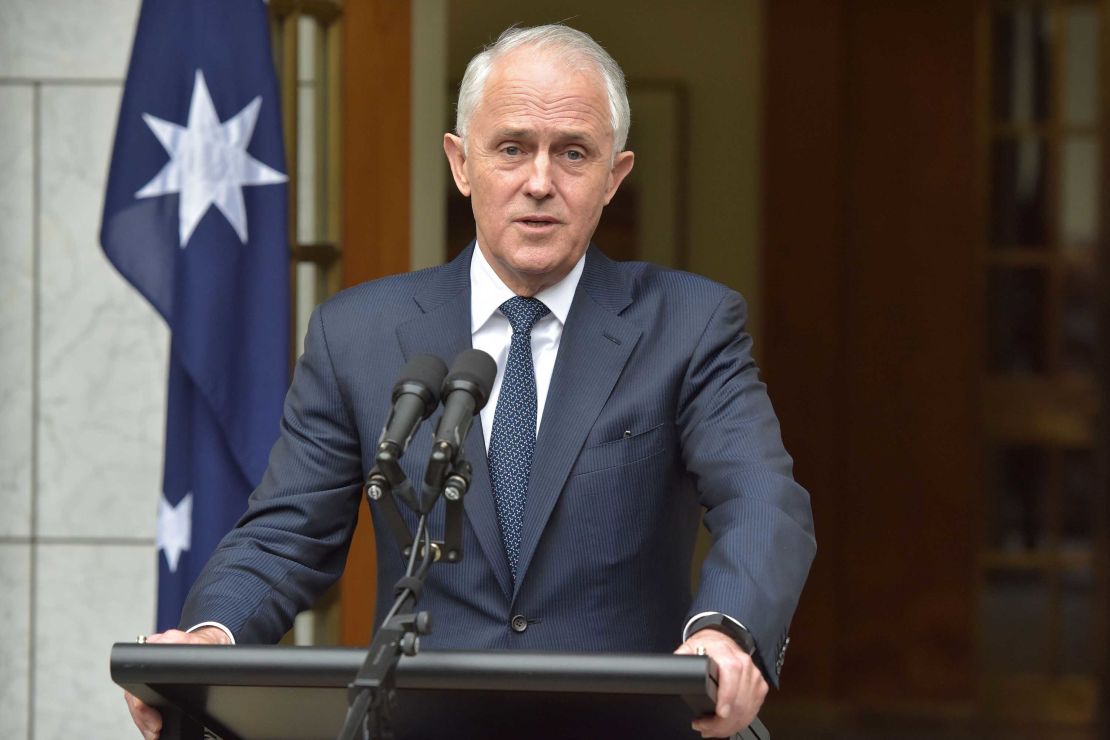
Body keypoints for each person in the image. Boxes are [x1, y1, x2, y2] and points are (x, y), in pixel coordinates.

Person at [126, 24, 815, 740]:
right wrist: (211, 637)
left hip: (633, 726)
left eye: (573, 153)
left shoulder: (690, 322)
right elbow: (287, 534)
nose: (540, 181)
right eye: (512, 148)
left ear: (615, 175)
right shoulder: (357, 333)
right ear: (461, 163)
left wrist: (726, 635)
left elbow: (762, 501)